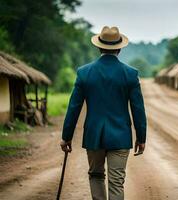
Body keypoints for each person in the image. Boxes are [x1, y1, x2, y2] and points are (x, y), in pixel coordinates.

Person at [60, 26, 147, 200]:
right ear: (119, 48)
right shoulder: (130, 74)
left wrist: (66, 136)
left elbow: (73, 107)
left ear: (99, 47)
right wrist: (141, 138)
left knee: (96, 176)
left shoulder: (84, 73)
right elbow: (138, 109)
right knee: (116, 182)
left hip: (94, 136)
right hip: (121, 136)